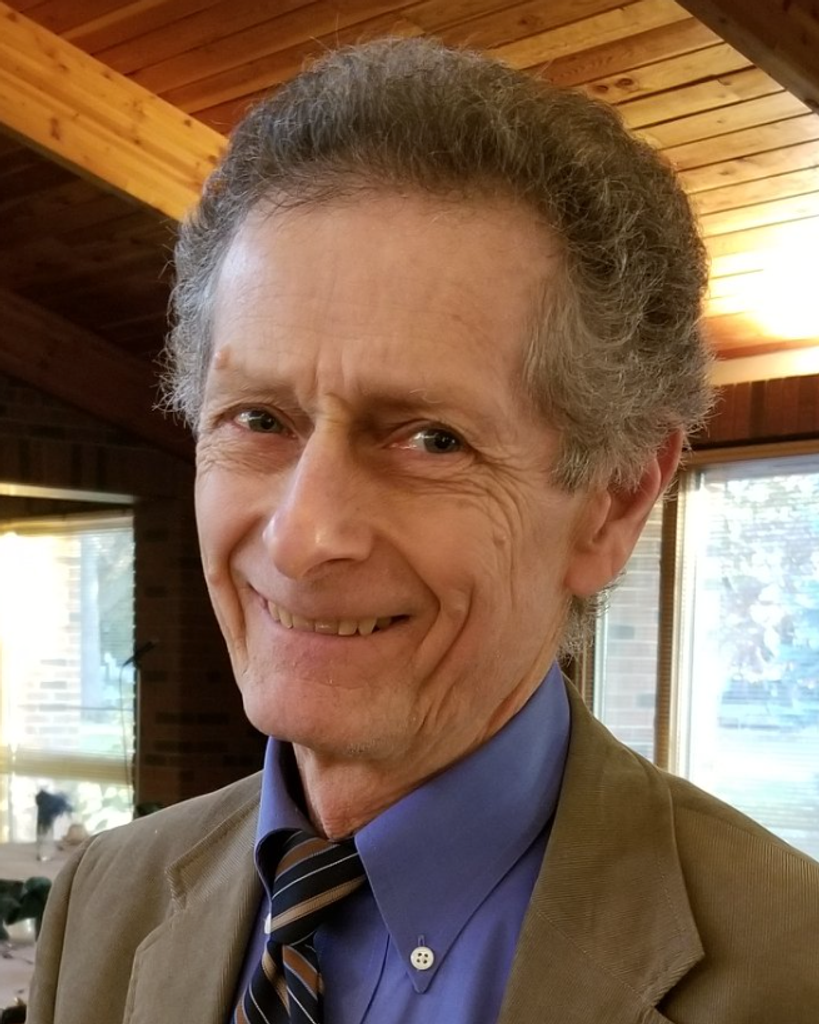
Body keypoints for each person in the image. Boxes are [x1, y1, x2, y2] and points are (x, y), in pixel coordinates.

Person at [29, 38, 819, 1024]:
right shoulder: (105, 896)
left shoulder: (794, 969)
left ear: (614, 500)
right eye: (258, 418)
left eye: (431, 439)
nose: (301, 537)